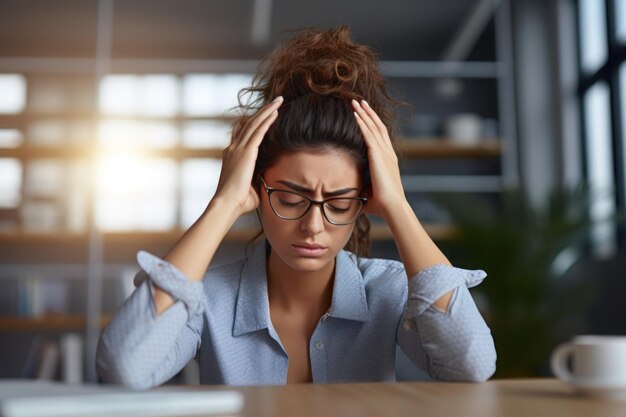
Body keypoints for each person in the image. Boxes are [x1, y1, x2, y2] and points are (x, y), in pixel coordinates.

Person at [96, 26, 496, 388]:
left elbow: (472, 365)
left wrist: (398, 206)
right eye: (290, 199)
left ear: (364, 200)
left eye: (339, 204)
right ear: (258, 186)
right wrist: (223, 202)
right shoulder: (211, 301)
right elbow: (123, 368)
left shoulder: (387, 291)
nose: (313, 227)